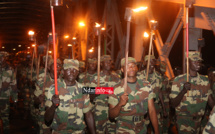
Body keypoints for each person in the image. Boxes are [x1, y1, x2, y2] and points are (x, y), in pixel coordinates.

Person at [108, 57, 159, 134]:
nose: (131, 68)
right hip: (123, 128)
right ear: (122, 70)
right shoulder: (115, 89)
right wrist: (120, 104)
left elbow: (151, 110)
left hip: (141, 127)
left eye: (133, 65)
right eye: (127, 66)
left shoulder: (146, 85)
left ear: (137, 68)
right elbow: (111, 115)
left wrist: (156, 131)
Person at [44, 59, 95, 134]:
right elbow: (47, 119)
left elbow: (88, 115)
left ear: (78, 73)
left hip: (78, 132)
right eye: (68, 69)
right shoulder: (54, 89)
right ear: (63, 72)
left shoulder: (83, 89)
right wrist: (53, 106)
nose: (72, 72)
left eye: (75, 70)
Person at [170, 51, 215, 134]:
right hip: (184, 122)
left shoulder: (204, 80)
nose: (198, 64)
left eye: (199, 61)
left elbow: (210, 100)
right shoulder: (179, 80)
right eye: (194, 61)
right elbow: (173, 104)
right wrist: (183, 91)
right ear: (188, 63)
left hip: (199, 121)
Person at [90, 55, 121, 134]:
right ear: (101, 64)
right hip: (100, 110)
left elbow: (119, 92)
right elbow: (89, 94)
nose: (108, 63)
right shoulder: (96, 77)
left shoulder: (116, 77)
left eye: (110, 61)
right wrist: (96, 92)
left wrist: (103, 90)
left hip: (113, 109)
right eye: (106, 61)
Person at [137, 55, 166, 133]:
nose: (152, 63)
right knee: (142, 129)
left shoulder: (159, 76)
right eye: (150, 61)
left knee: (157, 129)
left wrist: (164, 108)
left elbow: (160, 92)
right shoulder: (139, 76)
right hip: (143, 106)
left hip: (156, 107)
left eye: (153, 61)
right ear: (145, 63)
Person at [34, 57, 61, 134]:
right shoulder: (42, 80)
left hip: (60, 116)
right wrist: (38, 100)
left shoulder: (64, 80)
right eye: (55, 65)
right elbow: (35, 102)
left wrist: (97, 90)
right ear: (49, 67)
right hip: (45, 115)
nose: (57, 67)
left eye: (59, 65)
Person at [0, 51, 18, 134]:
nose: (0, 59)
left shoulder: (10, 70)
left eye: (2, 57)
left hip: (4, 99)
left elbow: (13, 85)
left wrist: (15, 99)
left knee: (5, 119)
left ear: (5, 58)